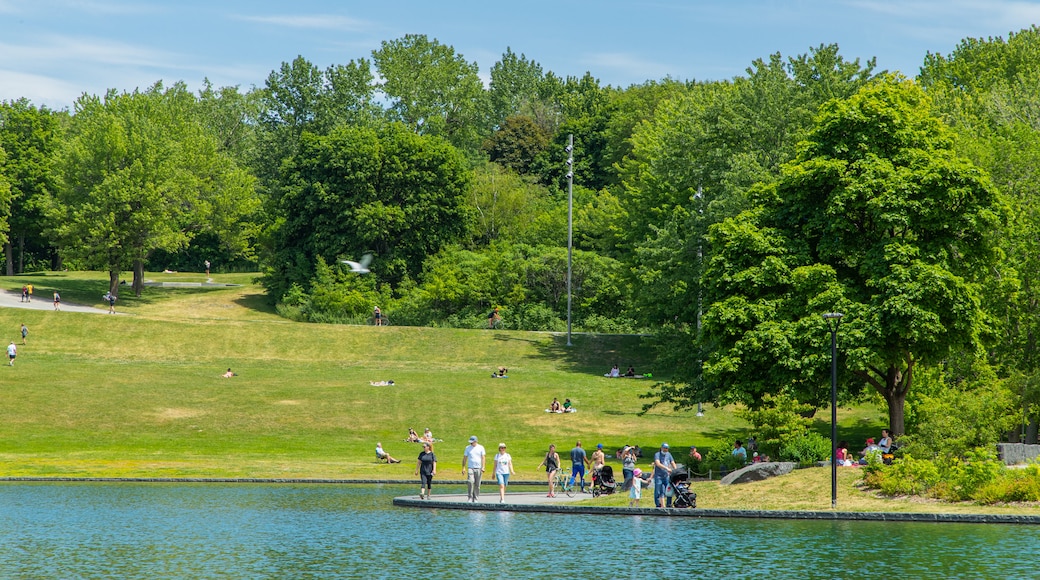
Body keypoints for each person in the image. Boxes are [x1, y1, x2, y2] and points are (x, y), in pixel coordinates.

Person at [462, 435, 486, 502]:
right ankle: (470, 497)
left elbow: (483, 457)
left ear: (475, 441)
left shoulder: (481, 447)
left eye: (472, 442)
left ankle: (475, 498)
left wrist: (483, 466)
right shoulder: (467, 448)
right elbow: (465, 458)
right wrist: (463, 467)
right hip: (470, 468)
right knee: (470, 481)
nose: (471, 443)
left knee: (477, 484)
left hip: (478, 468)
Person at [653, 442, 677, 508]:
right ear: (661, 448)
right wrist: (666, 468)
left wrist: (675, 470)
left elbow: (672, 462)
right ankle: (658, 504)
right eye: (664, 448)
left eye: (667, 448)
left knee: (669, 489)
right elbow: (657, 463)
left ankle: (668, 504)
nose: (665, 450)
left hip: (666, 476)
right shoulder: (657, 454)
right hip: (658, 476)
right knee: (658, 490)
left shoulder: (669, 454)